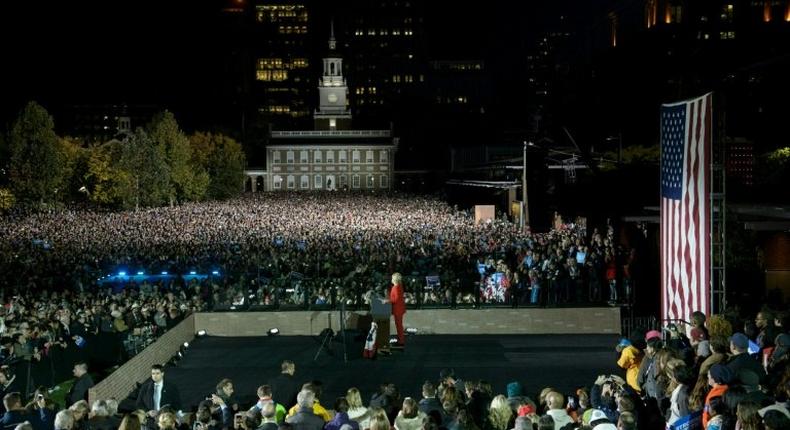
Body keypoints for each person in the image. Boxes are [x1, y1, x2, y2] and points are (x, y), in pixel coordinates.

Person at [387, 273, 406, 348]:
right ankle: (400, 340)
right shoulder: (399, 286)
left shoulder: (396, 287)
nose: (391, 279)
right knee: (399, 325)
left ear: (395, 279)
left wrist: (387, 301)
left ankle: (401, 341)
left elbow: (396, 299)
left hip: (398, 309)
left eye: (392, 278)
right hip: (399, 309)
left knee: (399, 325)